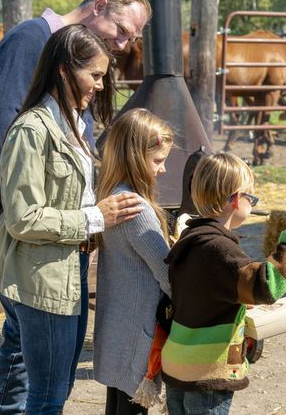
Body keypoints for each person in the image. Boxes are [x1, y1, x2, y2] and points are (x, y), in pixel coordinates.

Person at [0, 24, 129, 414]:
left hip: (66, 265)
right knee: (47, 395)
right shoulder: (31, 131)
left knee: (55, 387)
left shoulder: (75, 127)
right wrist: (95, 218)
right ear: (64, 70)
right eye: (94, 75)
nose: (99, 85)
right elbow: (23, 219)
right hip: (41, 273)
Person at [160, 153, 286, 415]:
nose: (253, 203)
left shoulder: (190, 239)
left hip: (179, 364)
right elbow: (267, 286)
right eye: (252, 198)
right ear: (236, 199)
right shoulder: (219, 249)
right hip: (207, 371)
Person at [0, 0, 151, 197]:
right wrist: (17, 199)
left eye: (132, 39)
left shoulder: (83, 53)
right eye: (122, 30)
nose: (123, 45)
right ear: (99, 7)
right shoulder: (31, 37)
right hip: (27, 203)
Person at [93, 108, 174, 415]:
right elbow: (166, 273)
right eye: (157, 161)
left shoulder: (114, 195)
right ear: (136, 157)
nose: (163, 169)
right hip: (137, 334)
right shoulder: (136, 209)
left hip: (119, 328)